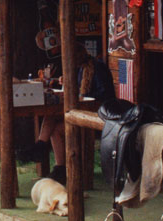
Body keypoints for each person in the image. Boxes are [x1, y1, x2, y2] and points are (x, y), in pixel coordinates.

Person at [21, 44, 115, 184]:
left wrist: (83, 95)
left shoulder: (97, 67)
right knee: (52, 117)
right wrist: (67, 83)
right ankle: (57, 164)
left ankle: (42, 150)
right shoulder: (81, 68)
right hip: (82, 108)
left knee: (54, 126)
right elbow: (78, 90)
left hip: (98, 112)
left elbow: (103, 94)